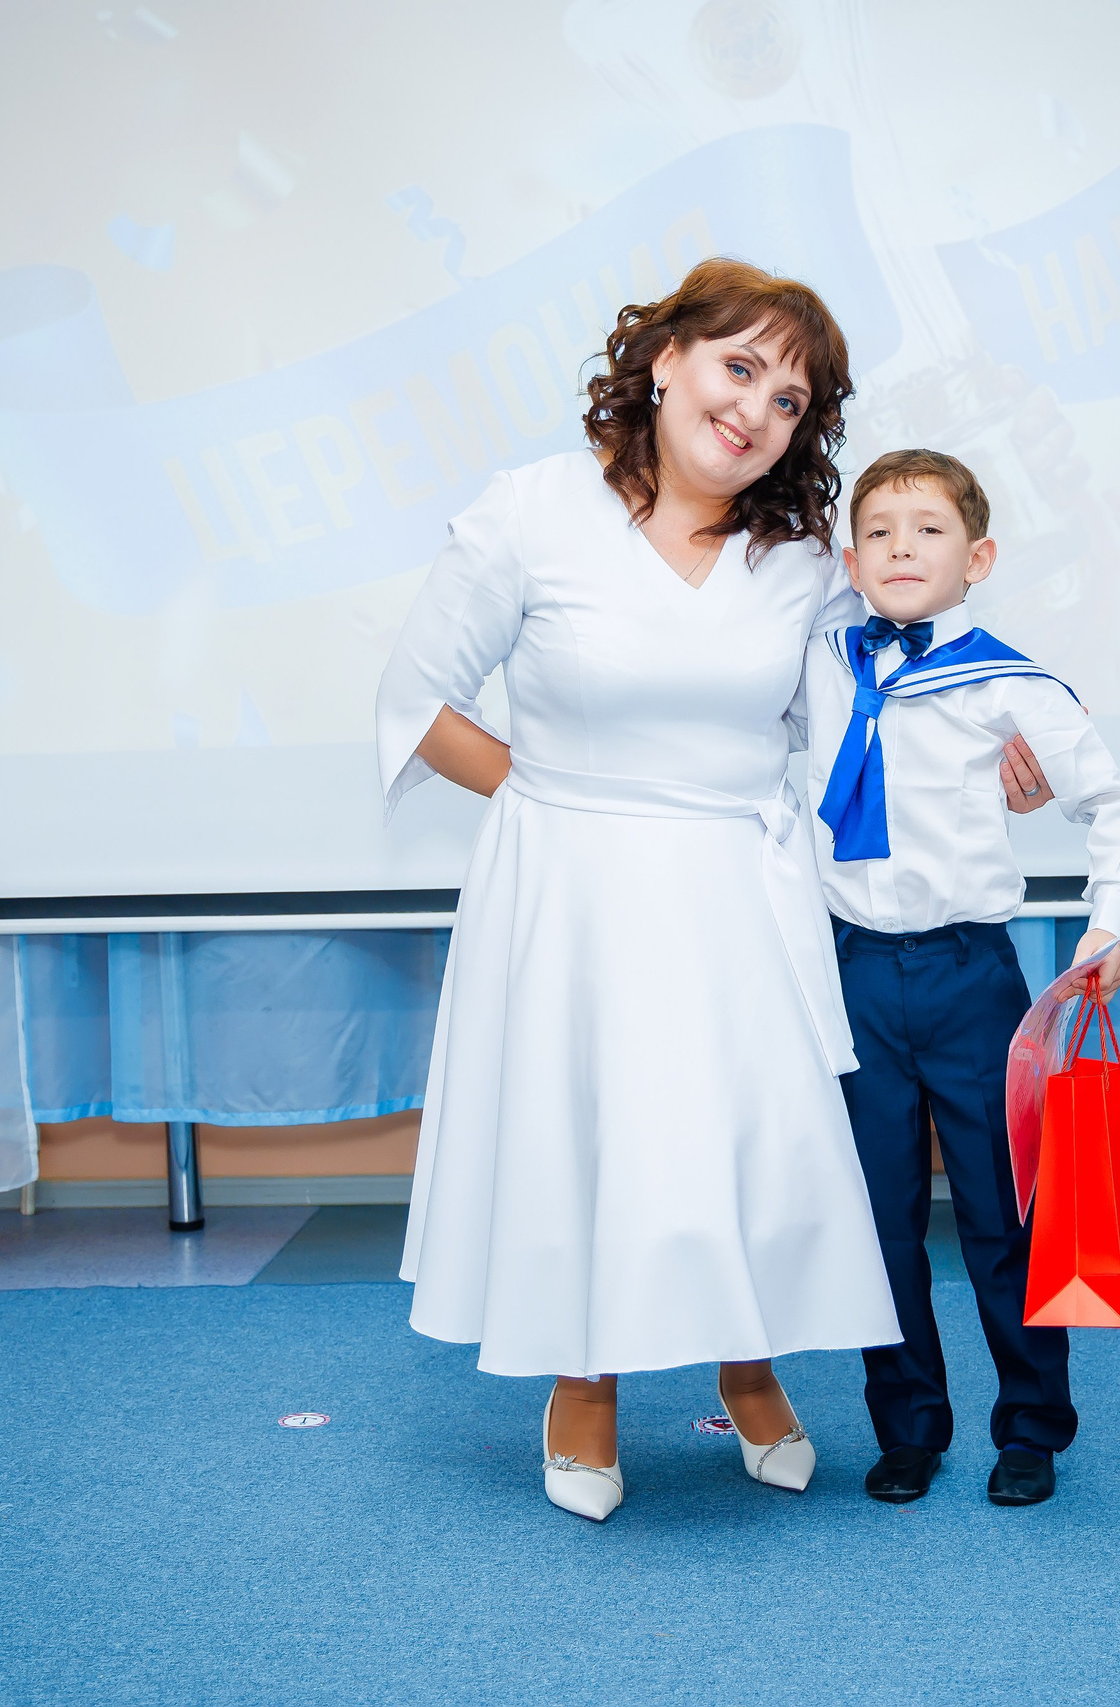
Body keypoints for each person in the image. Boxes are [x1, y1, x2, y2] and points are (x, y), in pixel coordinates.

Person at [374, 261, 1056, 1523]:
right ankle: (583, 1387)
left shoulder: (803, 559)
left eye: (791, 400)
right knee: (593, 1134)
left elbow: (866, 716)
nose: (755, 411)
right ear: (664, 361)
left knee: (747, 1139)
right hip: (572, 887)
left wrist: (991, 767)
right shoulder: (530, 511)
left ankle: (750, 1368)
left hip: (744, 886)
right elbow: (418, 707)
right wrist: (553, 801)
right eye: (739, 368)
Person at [793, 448, 1120, 1508]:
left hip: (971, 978)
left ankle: (1031, 1427)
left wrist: (1107, 927)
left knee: (1007, 1218)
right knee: (878, 1223)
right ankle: (907, 1428)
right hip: (848, 970)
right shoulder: (814, 659)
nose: (903, 547)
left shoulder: (1006, 681)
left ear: (978, 555)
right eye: (880, 532)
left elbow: (1112, 804)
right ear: (848, 558)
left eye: (930, 530)